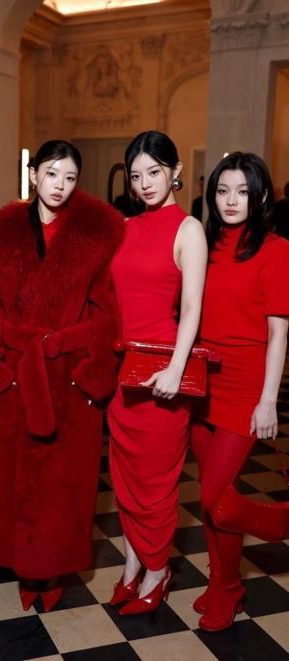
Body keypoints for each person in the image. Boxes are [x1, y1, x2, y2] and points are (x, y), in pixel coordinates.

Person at [0, 139, 124, 611]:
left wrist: (90, 377)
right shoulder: (1, 236)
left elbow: (106, 314)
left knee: (63, 487)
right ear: (34, 174)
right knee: (15, 483)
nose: (59, 185)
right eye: (52, 174)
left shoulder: (93, 237)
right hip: (18, 380)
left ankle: (51, 570)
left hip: (68, 381)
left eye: (70, 177)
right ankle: (25, 568)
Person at [108, 130, 207, 614]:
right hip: (124, 372)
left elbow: (191, 308)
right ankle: (132, 565)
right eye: (136, 175)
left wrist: (175, 368)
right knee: (125, 479)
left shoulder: (189, 229)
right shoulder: (125, 226)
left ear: (175, 172)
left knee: (156, 483)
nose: (145, 183)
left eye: (155, 171)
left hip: (164, 372)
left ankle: (157, 569)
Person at [191, 152, 289, 631]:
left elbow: (279, 332)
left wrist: (268, 400)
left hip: (245, 386)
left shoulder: (276, 249)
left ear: (262, 196)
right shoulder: (203, 244)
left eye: (243, 192)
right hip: (201, 382)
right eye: (223, 191)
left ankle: (257, 548)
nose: (231, 201)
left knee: (216, 497)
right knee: (211, 499)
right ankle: (223, 583)